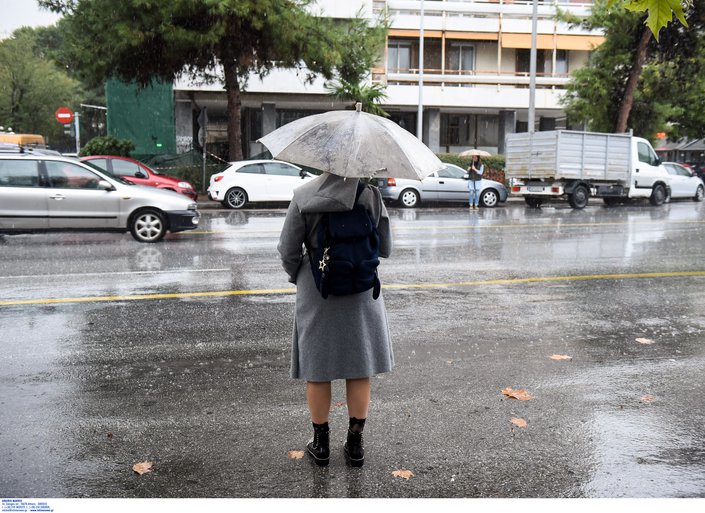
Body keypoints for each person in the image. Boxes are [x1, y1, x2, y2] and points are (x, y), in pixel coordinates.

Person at [277, 172, 394, 468]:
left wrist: (302, 275)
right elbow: (384, 247)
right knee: (359, 366)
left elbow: (288, 250)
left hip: (319, 290)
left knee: (318, 369)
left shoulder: (304, 196)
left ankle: (321, 444)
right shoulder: (369, 195)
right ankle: (355, 445)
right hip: (361, 288)